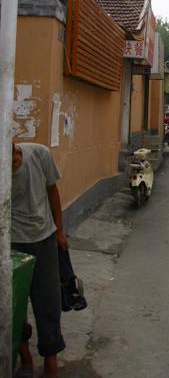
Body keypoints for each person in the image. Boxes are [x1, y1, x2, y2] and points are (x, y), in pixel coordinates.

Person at [11, 142, 68, 378]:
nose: (12, 165)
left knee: (49, 301)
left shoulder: (39, 154)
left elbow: (52, 192)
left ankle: (50, 360)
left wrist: (59, 231)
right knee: (15, 304)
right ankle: (25, 357)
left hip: (44, 239)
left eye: (13, 159)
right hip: (12, 244)